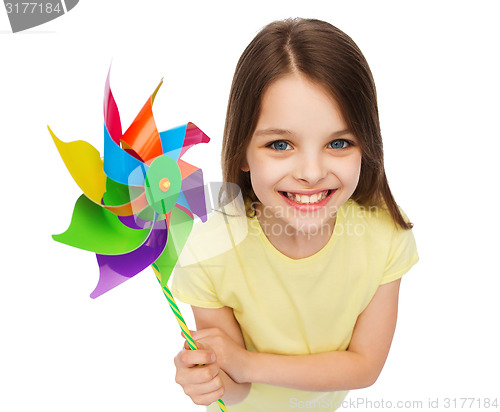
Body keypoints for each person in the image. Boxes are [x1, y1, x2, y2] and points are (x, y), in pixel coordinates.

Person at [171, 17, 419, 411]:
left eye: (339, 142)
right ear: (243, 153)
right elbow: (238, 390)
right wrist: (211, 379)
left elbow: (364, 366)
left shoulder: (384, 235)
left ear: (367, 145)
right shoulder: (209, 252)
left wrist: (247, 362)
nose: (311, 172)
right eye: (280, 144)